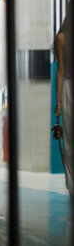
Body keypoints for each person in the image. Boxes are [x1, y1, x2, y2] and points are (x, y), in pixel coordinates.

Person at [54, 12, 74, 201]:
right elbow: (60, 70)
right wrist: (58, 101)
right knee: (69, 144)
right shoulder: (61, 38)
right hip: (69, 88)